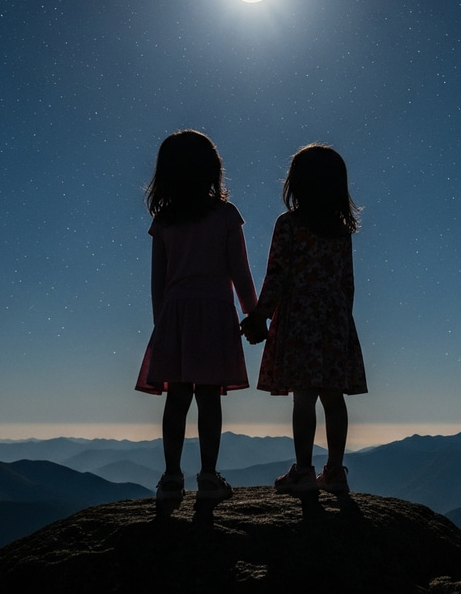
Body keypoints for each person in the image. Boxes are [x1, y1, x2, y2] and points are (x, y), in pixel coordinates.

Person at [136, 130, 258, 506]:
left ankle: (171, 478)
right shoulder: (225, 216)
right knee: (209, 397)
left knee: (176, 400)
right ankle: (207, 476)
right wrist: (254, 315)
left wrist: (162, 327)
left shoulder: (164, 222)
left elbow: (158, 281)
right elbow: (240, 271)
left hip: (175, 315)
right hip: (214, 313)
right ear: (211, 170)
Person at [241, 143, 367, 496]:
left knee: (304, 398)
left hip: (300, 319)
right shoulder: (341, 231)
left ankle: (305, 471)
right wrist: (343, 324)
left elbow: (277, 275)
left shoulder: (290, 225)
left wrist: (260, 316)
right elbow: (348, 282)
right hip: (336, 319)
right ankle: (335, 472)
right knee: (333, 396)